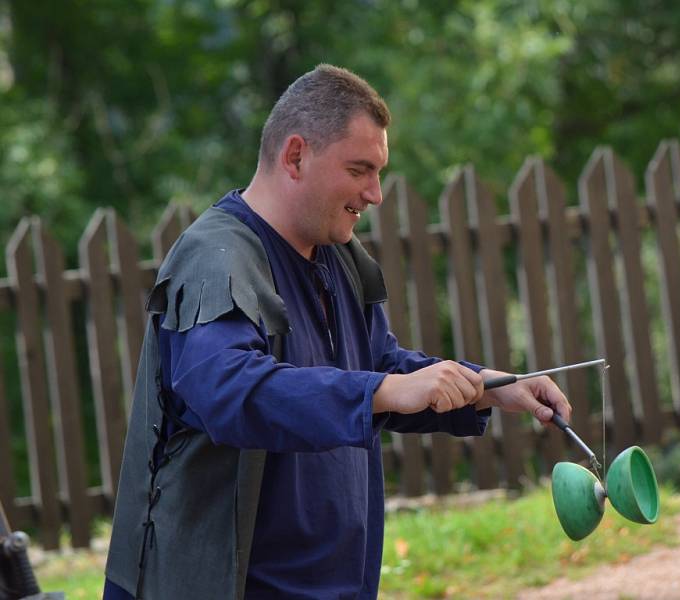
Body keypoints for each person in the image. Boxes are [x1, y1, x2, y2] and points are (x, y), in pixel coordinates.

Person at [103, 64, 571, 600]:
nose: (375, 194)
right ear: (296, 155)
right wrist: (381, 390)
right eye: (359, 170)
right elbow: (230, 393)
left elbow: (379, 369)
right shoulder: (217, 258)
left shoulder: (341, 257)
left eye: (379, 172)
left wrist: (490, 384)